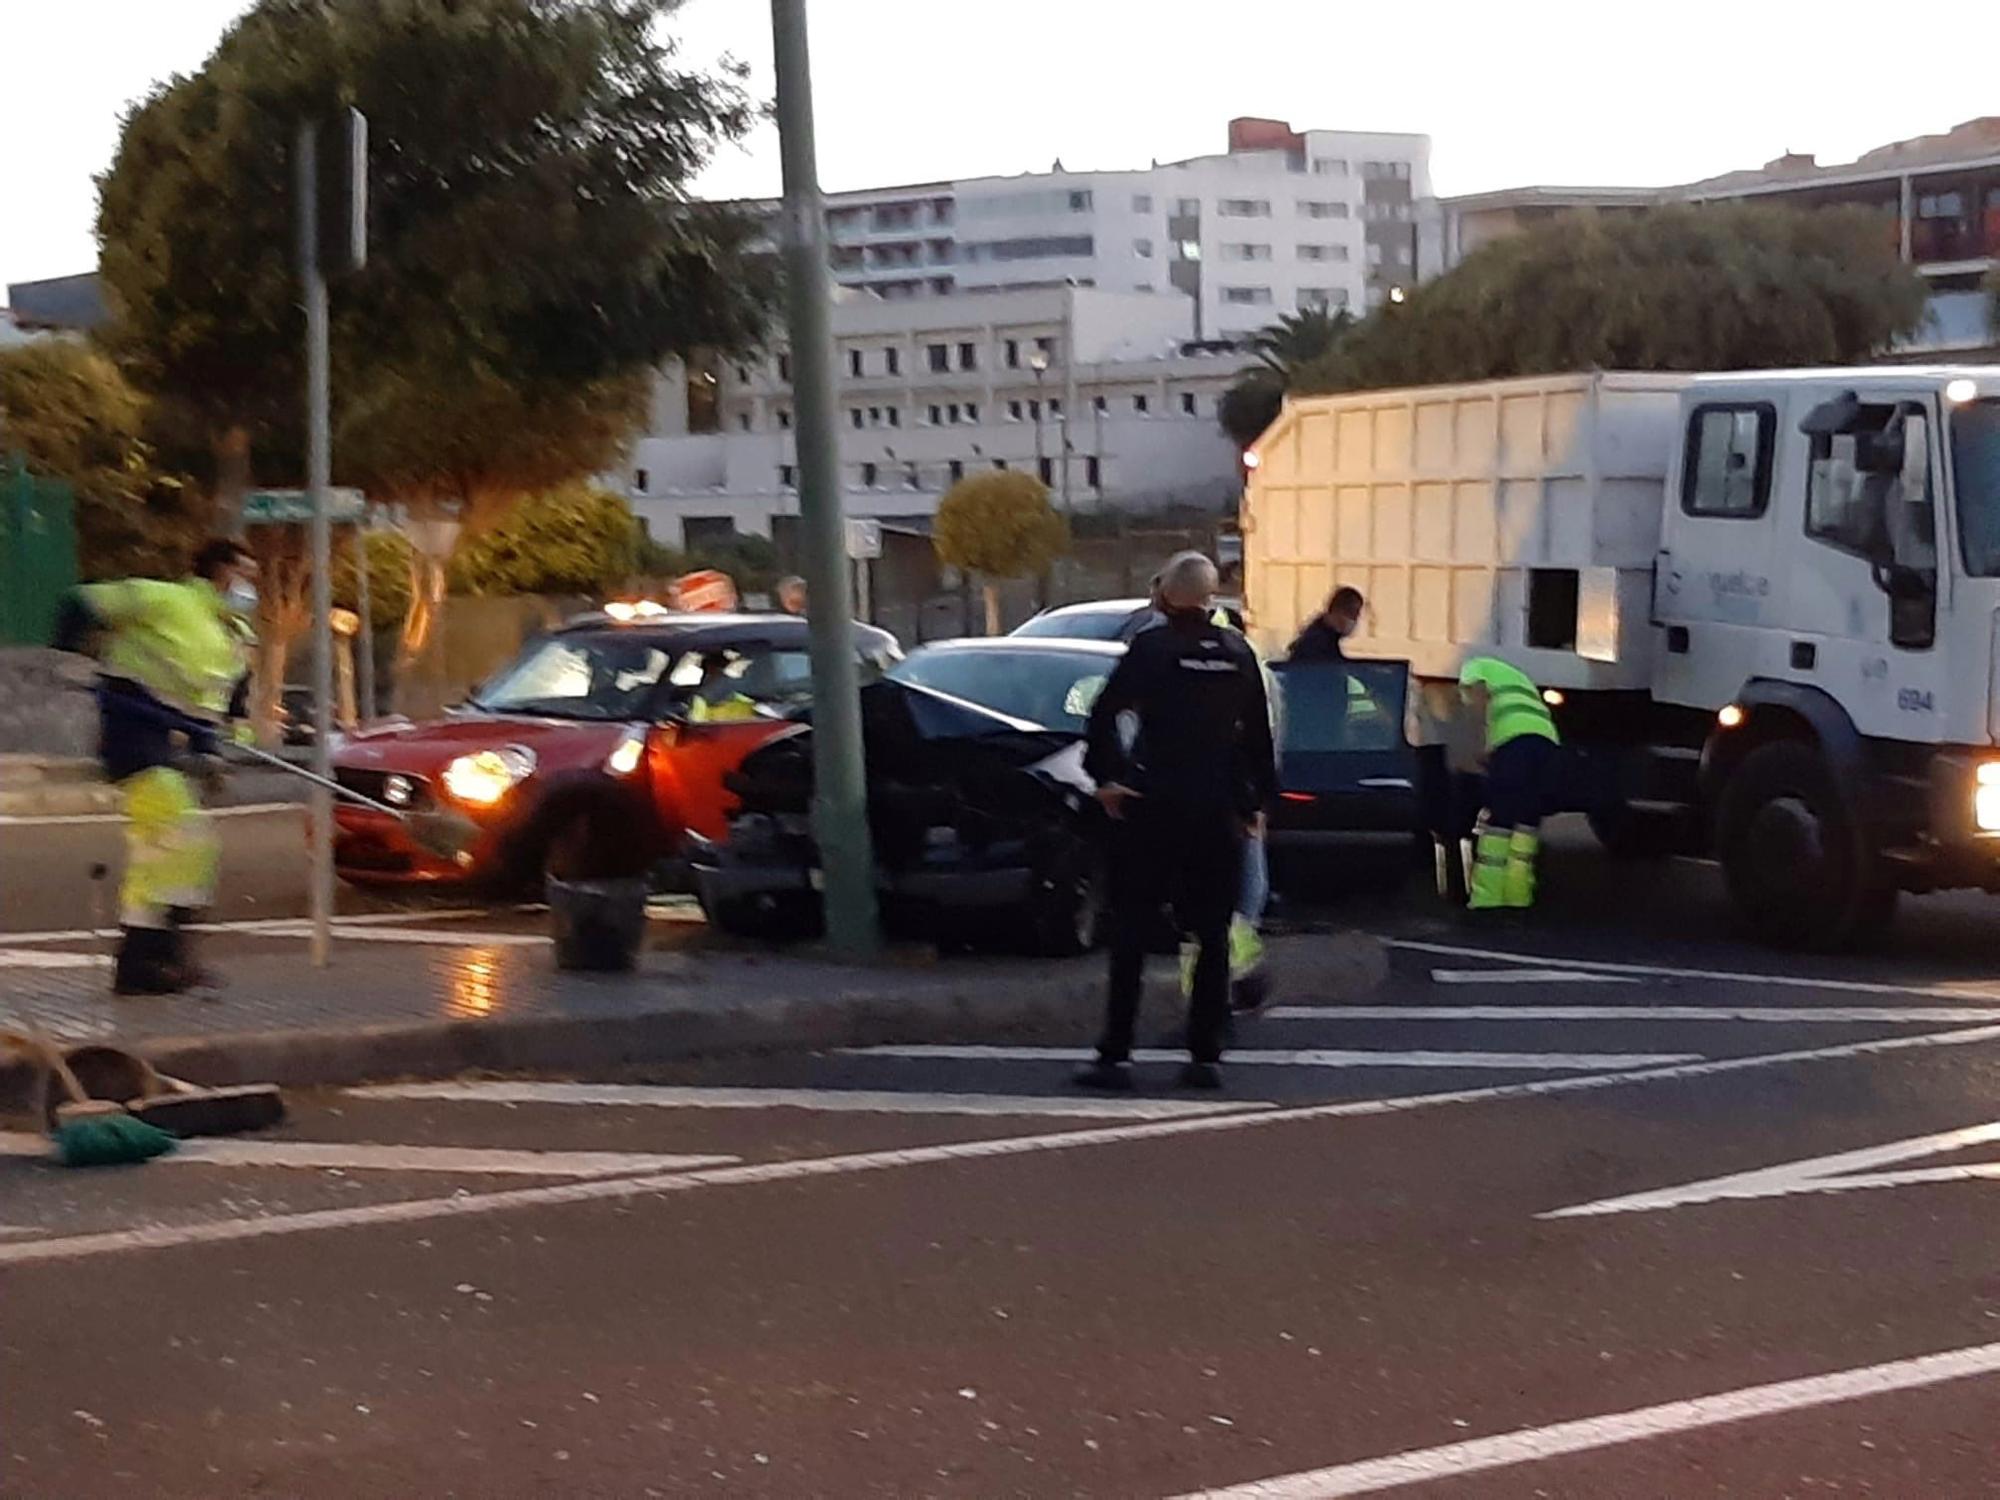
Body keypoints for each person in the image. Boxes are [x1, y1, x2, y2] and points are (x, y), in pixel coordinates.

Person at [1077, 551, 1277, 1091]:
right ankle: (1205, 1055)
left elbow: (1106, 713)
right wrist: (1253, 805)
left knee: (1132, 929)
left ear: (1166, 594)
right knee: (1210, 935)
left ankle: (1116, 1055)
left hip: (1153, 805)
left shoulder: (1152, 648)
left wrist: (1107, 778)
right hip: (1215, 812)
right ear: (1210, 597)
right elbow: (1257, 740)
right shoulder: (1237, 653)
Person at [52, 538, 258, 994]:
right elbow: (82, 602)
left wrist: (212, 752)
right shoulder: (166, 598)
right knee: (174, 842)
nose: (250, 586)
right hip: (137, 735)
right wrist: (67, 658)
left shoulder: (233, 635)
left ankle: (167, 957)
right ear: (220, 572)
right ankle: (142, 963)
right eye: (245, 573)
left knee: (192, 849)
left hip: (178, 746)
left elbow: (215, 704)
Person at [1457, 655, 1560, 913]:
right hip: (1546, 744)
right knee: (1526, 821)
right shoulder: (1514, 676)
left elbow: (1479, 702)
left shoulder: (1473, 668)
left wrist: (1481, 748)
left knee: (1499, 822)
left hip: (1513, 743)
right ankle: (1518, 897)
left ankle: (1487, 900)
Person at [1286, 586, 1364, 662]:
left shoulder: (1324, 635)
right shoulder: (1318, 641)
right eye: (1351, 613)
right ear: (1336, 610)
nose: (1354, 619)